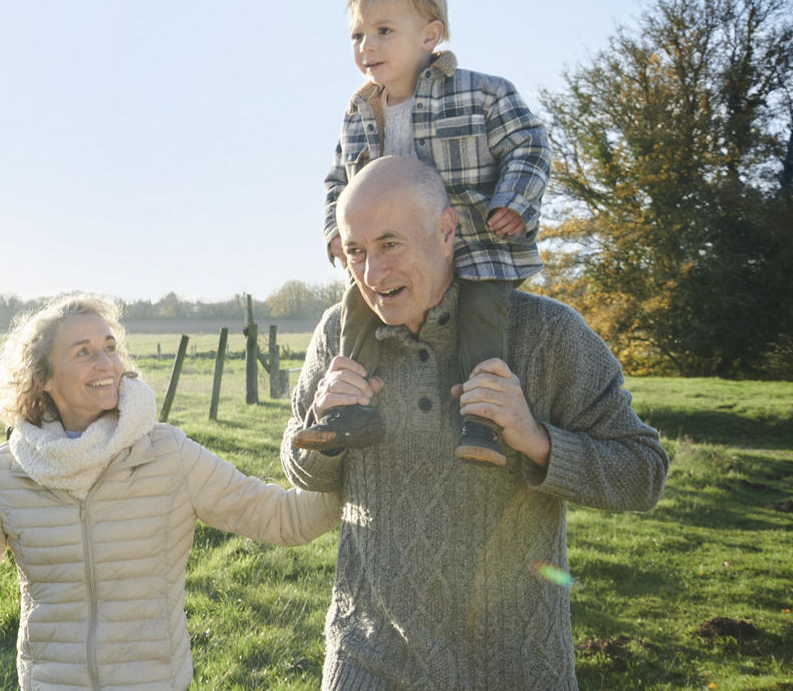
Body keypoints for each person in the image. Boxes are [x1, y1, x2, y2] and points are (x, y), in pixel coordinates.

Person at [282, 156, 668, 690]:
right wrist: (320, 431)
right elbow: (302, 471)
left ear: (446, 231)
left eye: (390, 244)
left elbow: (644, 474)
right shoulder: (338, 335)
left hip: (514, 666)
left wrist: (535, 440)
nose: (372, 274)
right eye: (356, 251)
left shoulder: (546, 333)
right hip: (367, 655)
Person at [0, 293, 342, 691]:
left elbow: (283, 518)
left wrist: (350, 471)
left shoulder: (166, 453)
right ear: (43, 378)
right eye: (83, 353)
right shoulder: (8, 474)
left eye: (109, 347)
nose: (106, 364)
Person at [309, 0, 552, 466]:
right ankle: (347, 411)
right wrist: (337, 230)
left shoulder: (479, 92)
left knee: (482, 318)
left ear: (430, 35)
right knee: (358, 310)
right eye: (357, 35)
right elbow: (339, 181)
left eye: (383, 31)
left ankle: (483, 422)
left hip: (477, 241)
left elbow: (529, 144)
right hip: (394, 255)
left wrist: (515, 202)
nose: (365, 46)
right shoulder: (357, 113)